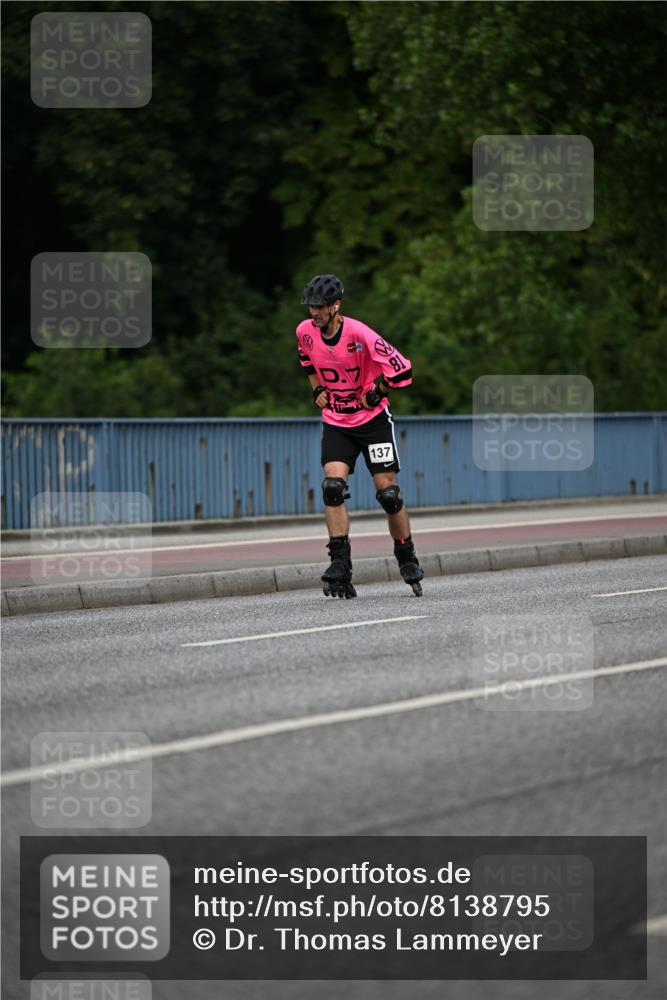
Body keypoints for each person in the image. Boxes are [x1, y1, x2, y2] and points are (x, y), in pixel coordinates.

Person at [296, 273, 424, 598]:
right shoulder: (304, 333)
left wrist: (378, 390)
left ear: (335, 306)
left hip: (373, 422)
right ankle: (340, 563)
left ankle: (406, 555)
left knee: (388, 494)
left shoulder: (359, 333)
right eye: (311, 306)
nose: (314, 312)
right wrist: (318, 391)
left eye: (320, 307)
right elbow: (306, 362)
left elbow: (403, 368)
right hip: (338, 422)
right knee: (332, 487)